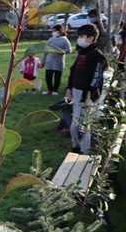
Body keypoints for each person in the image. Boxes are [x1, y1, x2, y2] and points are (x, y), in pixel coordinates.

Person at [65, 23, 108, 155]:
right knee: (74, 125)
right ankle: (76, 146)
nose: (80, 39)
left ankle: (85, 150)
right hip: (76, 92)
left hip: (88, 95)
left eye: (82, 36)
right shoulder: (82, 52)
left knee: (83, 125)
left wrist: (87, 96)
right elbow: (73, 71)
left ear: (91, 38)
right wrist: (69, 88)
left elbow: (96, 78)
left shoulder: (97, 56)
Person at [42, 24, 71, 95]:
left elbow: (69, 50)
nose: (54, 32)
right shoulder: (51, 39)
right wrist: (43, 60)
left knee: (57, 77)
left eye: (55, 30)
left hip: (59, 62)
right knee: (48, 76)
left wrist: (60, 51)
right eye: (53, 30)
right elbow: (45, 51)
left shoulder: (64, 40)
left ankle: (55, 90)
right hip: (50, 61)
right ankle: (49, 89)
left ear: (60, 31)